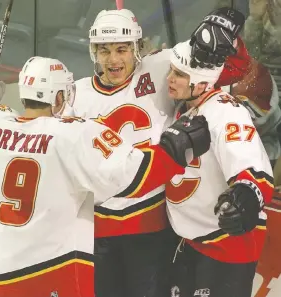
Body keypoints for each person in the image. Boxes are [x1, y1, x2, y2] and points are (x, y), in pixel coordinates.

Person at [0, 56, 211, 297]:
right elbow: (136, 175)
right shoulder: (70, 136)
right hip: (48, 273)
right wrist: (176, 148)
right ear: (59, 98)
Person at [65, 6, 252, 297]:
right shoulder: (75, 95)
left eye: (122, 49)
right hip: (95, 231)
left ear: (137, 48)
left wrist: (226, 38)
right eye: (104, 51)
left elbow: (230, 69)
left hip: (150, 229)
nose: (113, 60)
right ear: (93, 52)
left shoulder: (162, 68)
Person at [165, 40, 274, 297]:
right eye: (171, 70)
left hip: (224, 245)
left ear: (202, 82)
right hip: (189, 239)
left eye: (179, 74)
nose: (169, 79)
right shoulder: (185, 107)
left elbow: (252, 168)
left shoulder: (226, 112)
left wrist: (247, 193)